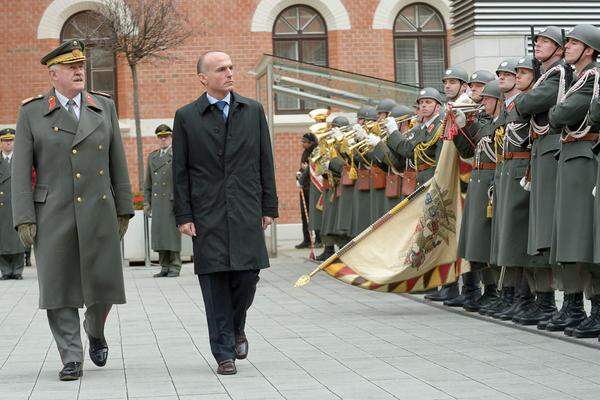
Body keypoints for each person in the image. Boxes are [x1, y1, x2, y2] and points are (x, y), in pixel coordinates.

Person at [12, 39, 133, 380]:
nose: (80, 71)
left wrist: (124, 207)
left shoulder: (103, 107)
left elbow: (117, 161)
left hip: (99, 208)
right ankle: (71, 356)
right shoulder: (32, 112)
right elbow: (21, 171)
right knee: (58, 286)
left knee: (102, 284)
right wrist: (24, 217)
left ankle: (95, 330)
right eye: (70, 67)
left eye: (81, 65)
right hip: (53, 212)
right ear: (54, 74)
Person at [172, 51, 278, 375]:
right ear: (203, 77)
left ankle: (236, 326)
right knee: (215, 282)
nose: (229, 73)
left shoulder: (252, 111)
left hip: (246, 208)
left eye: (231, 67)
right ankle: (223, 353)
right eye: (221, 69)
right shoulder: (187, 117)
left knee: (247, 277)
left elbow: (265, 160)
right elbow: (180, 171)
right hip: (208, 213)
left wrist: (269, 206)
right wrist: (184, 214)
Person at [514, 26, 571, 329]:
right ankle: (544, 300)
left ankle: (554, 301)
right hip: (542, 151)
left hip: (551, 150)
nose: (539, 45)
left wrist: (526, 100)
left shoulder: (558, 74)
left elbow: (528, 104)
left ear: (560, 49)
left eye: (546, 41)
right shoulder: (548, 75)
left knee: (547, 230)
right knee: (539, 230)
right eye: (537, 41)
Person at [548, 25, 600, 338]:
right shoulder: (579, 79)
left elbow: (561, 114)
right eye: (567, 42)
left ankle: (594, 306)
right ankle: (574, 304)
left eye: (574, 43)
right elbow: (558, 115)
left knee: (586, 237)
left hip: (583, 159)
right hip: (571, 158)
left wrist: (558, 112)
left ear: (590, 50)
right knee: (571, 237)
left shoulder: (591, 78)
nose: (567, 47)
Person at [144, 124, 182, 278]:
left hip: (171, 201)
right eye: (160, 137)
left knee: (171, 234)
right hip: (158, 203)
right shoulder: (152, 157)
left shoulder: (177, 155)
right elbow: (148, 183)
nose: (163, 139)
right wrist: (147, 203)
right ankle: (164, 266)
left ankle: (175, 266)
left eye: (166, 136)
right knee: (160, 235)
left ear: (171, 137)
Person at [0, 128, 25, 280]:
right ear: (1, 143)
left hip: (17, 201)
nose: (8, 143)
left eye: (10, 140)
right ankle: (5, 269)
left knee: (17, 237)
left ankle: (17, 270)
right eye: (5, 141)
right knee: (2, 238)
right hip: (2, 203)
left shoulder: (21, 159)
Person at [296, 132, 317, 250]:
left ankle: (318, 238)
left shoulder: (315, 151)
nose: (302, 144)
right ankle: (307, 239)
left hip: (313, 187)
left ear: (311, 143)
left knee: (314, 213)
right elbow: (302, 167)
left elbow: (314, 167)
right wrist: (300, 173)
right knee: (305, 215)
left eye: (304, 142)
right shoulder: (306, 152)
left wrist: (306, 168)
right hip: (304, 186)